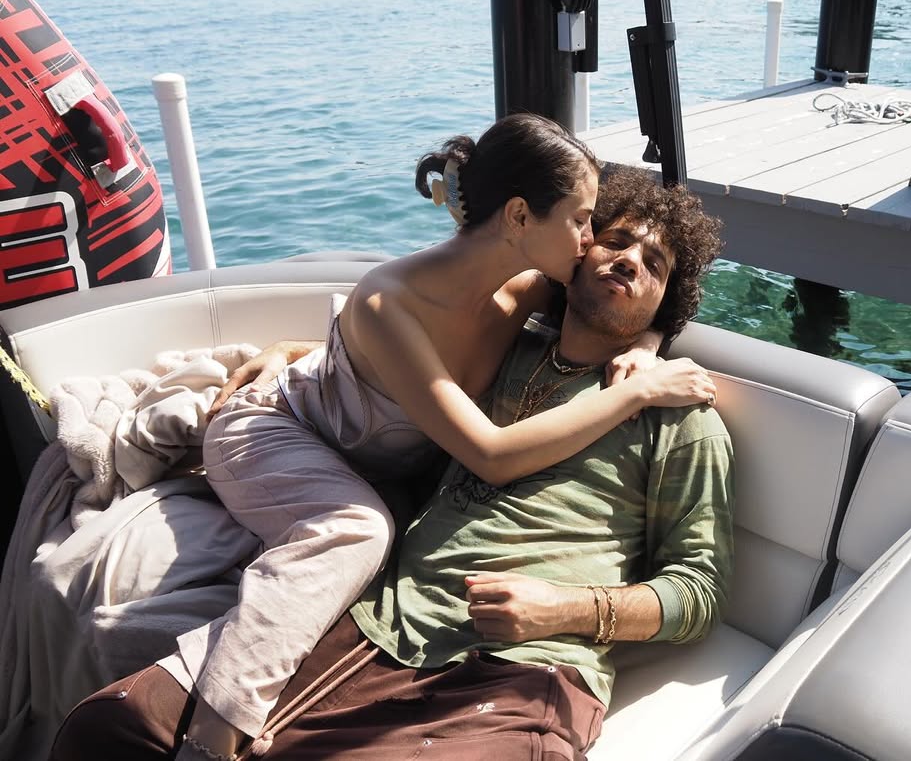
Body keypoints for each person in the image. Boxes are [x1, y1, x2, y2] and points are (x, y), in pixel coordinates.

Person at [51, 164, 733, 761]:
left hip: (523, 666)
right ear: (576, 255)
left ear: (665, 302)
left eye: (655, 264)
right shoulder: (501, 348)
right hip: (378, 622)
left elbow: (699, 590)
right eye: (616, 240)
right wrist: (292, 351)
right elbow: (396, 353)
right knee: (112, 728)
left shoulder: (676, 414)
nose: (630, 261)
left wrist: (568, 609)